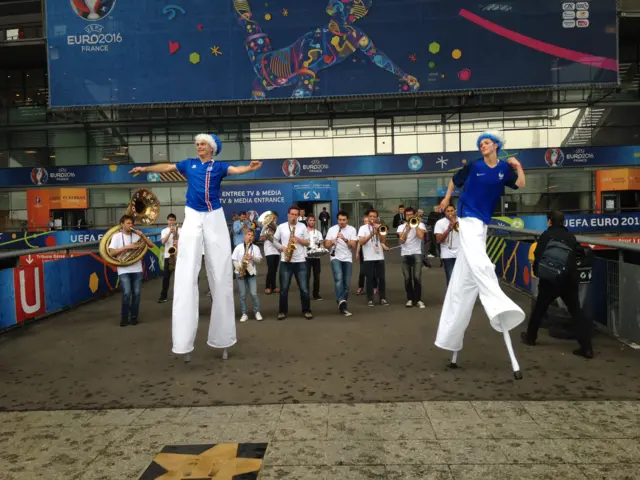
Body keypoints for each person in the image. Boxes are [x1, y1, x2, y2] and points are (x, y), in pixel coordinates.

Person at [129, 133, 262, 362]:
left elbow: (236, 170)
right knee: (185, 273)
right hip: (192, 214)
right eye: (197, 144)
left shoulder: (218, 167)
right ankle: (183, 342)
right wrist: (144, 169)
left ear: (211, 148)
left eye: (202, 144)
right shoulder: (188, 164)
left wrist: (249, 168)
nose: (198, 146)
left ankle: (223, 339)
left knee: (220, 274)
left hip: (214, 216)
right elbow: (167, 166)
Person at [435, 130, 527, 379]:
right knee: (480, 263)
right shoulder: (474, 166)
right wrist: (446, 199)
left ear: (496, 145)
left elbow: (520, 184)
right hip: (467, 217)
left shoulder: (505, 169)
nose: (483, 146)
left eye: (486, 142)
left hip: (482, 222)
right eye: (480, 144)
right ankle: (500, 306)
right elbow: (455, 180)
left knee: (464, 282)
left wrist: (518, 167)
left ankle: (450, 339)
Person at [521, 210, 593, 358]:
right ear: (563, 222)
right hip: (569, 279)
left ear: (549, 221)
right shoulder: (570, 237)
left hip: (550, 280)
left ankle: (530, 337)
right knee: (576, 312)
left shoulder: (546, 236)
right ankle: (586, 348)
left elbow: (538, 256)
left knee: (540, 308)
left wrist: (540, 274)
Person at [108, 214, 155, 327]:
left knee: (137, 294)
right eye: (128, 223)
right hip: (123, 269)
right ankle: (124, 318)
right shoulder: (117, 237)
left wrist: (142, 236)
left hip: (137, 268)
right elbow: (111, 253)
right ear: (122, 224)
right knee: (127, 293)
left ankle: (134, 317)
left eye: (131, 223)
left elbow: (151, 245)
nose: (130, 225)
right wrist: (126, 247)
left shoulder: (136, 236)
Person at [273, 205, 312, 320]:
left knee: (304, 289)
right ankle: (282, 311)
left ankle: (306, 310)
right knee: (284, 289)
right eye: (292, 214)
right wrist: (282, 247)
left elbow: (308, 242)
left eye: (296, 215)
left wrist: (299, 240)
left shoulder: (303, 226)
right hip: (286, 261)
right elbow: (274, 240)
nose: (294, 217)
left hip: (300, 261)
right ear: (288, 215)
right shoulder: (281, 227)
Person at [325, 211, 358, 316]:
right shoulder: (332, 229)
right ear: (337, 220)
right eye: (340, 220)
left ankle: (341, 301)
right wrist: (332, 241)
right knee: (338, 278)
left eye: (344, 220)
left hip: (347, 258)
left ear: (347, 220)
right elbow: (326, 245)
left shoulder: (352, 229)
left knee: (347, 284)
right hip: (335, 257)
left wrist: (344, 238)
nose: (342, 222)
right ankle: (343, 304)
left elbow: (353, 245)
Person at [358, 209, 389, 307]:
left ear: (377, 218)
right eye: (370, 216)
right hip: (368, 257)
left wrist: (379, 231)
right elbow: (361, 242)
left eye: (374, 217)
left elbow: (383, 241)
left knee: (381, 278)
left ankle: (383, 298)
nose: (372, 218)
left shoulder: (380, 227)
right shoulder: (363, 228)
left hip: (379, 256)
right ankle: (370, 299)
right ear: (367, 217)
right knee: (370, 278)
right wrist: (371, 234)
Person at [397, 207, 426, 308]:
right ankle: (410, 299)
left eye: (411, 215)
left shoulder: (421, 224)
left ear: (414, 215)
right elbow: (401, 241)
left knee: (417, 277)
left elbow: (421, 237)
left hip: (417, 253)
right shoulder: (401, 227)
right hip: (405, 254)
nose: (409, 217)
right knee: (407, 278)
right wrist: (407, 229)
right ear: (405, 216)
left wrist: (415, 225)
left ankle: (418, 300)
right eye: (407, 215)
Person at [232, 229, 263, 322]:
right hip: (240, 272)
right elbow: (234, 259)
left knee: (253, 293)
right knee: (242, 295)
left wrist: (252, 257)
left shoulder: (256, 248)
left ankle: (257, 311)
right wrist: (239, 268)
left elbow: (260, 261)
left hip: (251, 272)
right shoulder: (238, 247)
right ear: (244, 236)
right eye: (248, 234)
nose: (250, 237)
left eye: (252, 235)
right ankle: (244, 313)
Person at [158, 213, 182, 303]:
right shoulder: (164, 231)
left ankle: (180, 297)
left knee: (180, 278)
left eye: (173, 220)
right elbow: (163, 242)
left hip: (179, 256)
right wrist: (169, 232)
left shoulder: (180, 229)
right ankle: (163, 296)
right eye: (170, 220)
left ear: (175, 221)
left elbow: (182, 240)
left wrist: (175, 232)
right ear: (167, 221)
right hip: (168, 256)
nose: (171, 221)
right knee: (166, 277)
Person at [434, 205, 460, 286]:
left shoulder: (461, 221)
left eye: (452, 210)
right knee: (450, 276)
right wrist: (448, 229)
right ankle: (451, 298)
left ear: (455, 211)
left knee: (460, 277)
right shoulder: (440, 223)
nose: (450, 213)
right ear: (445, 213)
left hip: (460, 252)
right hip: (447, 253)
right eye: (448, 211)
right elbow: (438, 240)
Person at [356, 212, 377, 296]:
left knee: (374, 271)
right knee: (362, 271)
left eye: (367, 221)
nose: (366, 222)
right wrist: (357, 252)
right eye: (365, 221)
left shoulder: (374, 228)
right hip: (363, 251)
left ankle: (374, 287)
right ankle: (360, 287)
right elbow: (359, 243)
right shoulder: (363, 229)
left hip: (373, 251)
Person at [260, 211, 280, 295]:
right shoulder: (265, 226)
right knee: (271, 269)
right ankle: (267, 287)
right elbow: (261, 238)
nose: (274, 220)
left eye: (275, 218)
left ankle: (274, 286)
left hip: (277, 250)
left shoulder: (278, 227)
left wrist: (275, 233)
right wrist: (268, 236)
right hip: (268, 250)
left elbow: (279, 238)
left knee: (275, 270)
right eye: (272, 218)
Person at [305, 214, 324, 301]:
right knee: (306, 276)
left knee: (317, 276)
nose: (312, 222)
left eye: (313, 220)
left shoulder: (318, 232)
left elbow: (321, 244)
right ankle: (306, 294)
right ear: (307, 221)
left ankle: (316, 294)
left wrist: (322, 249)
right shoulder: (303, 232)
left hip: (316, 257)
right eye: (310, 220)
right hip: (306, 257)